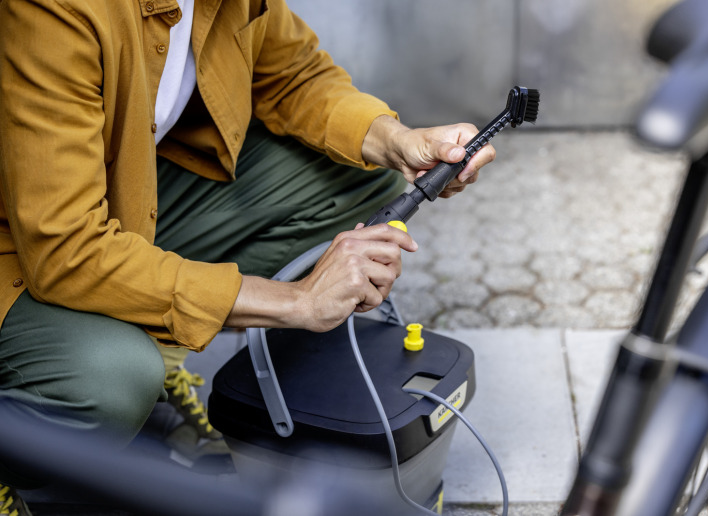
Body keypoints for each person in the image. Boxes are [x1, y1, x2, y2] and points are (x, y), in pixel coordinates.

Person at [0, 0, 495, 512]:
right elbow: (66, 250)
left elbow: (291, 75)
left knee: (356, 179)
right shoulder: (58, 9)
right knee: (113, 379)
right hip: (22, 245)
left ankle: (151, 333)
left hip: (118, 192)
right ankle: (21, 462)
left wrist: (399, 141)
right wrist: (296, 301)